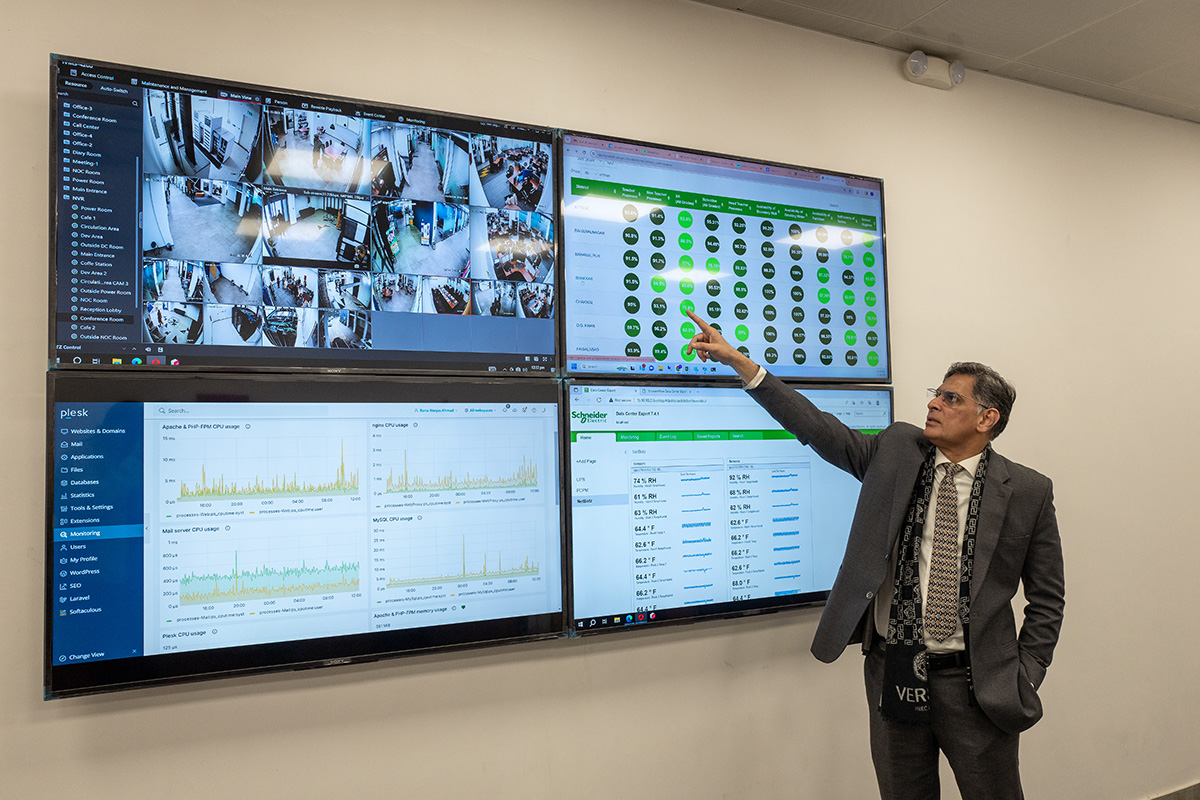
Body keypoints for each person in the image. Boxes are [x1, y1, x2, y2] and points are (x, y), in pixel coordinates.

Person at [685, 311, 1064, 800]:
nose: (934, 403)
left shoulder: (1028, 491)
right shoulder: (897, 451)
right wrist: (743, 365)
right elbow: (820, 430)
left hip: (976, 686)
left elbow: (1047, 599)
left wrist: (1024, 673)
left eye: (951, 398)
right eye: (936, 392)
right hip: (894, 670)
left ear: (987, 418)